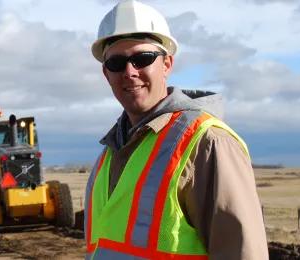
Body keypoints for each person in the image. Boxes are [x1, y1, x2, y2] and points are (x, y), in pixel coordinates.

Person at [83, 0, 268, 259]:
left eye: (142, 59)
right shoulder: (110, 153)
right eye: (116, 63)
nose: (129, 71)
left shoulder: (207, 142)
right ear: (106, 73)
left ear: (167, 64)